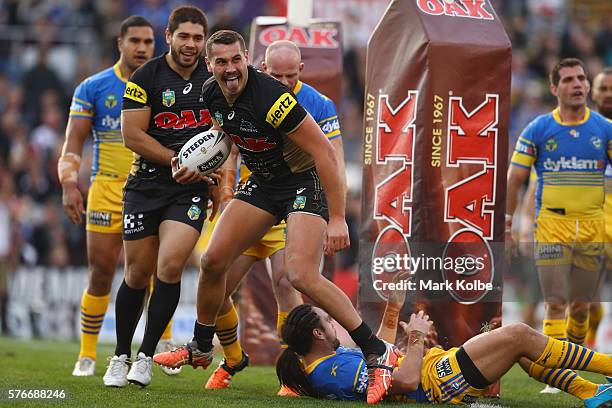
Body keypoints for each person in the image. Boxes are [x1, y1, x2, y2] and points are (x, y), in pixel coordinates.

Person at [154, 30, 396, 404]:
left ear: (248, 58)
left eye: (236, 60)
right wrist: (191, 165)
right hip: (264, 183)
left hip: (301, 183)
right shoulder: (210, 92)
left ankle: (377, 350)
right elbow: (223, 135)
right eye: (221, 62)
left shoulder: (274, 99)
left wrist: (336, 217)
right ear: (209, 65)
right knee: (212, 260)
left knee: (299, 276)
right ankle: (203, 346)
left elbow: (325, 155)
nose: (231, 68)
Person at [201, 39, 348, 393]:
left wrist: (334, 215)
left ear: (301, 71)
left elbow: (333, 158)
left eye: (289, 75)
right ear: (262, 67)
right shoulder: (241, 91)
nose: (282, 82)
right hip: (254, 202)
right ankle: (233, 358)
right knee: (216, 276)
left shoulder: (318, 104)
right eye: (275, 74)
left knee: (287, 282)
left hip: (293, 202)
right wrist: (224, 190)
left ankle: (291, 374)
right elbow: (229, 144)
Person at [275, 273, 612, 406]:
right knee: (518, 334)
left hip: (437, 373)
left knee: (514, 345)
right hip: (438, 382)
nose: (335, 323)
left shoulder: (324, 364)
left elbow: (380, 358)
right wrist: (419, 341)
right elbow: (404, 382)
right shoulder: (334, 371)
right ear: (318, 334)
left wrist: (393, 309)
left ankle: (590, 392)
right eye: (328, 321)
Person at [102, 6, 214, 388]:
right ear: (169, 36)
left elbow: (227, 132)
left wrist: (218, 179)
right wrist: (179, 160)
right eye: (184, 36)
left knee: (169, 266)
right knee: (136, 274)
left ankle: (147, 356)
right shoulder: (145, 75)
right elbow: (132, 134)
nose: (191, 44)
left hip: (191, 189)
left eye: (198, 37)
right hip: (145, 185)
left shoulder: (213, 78)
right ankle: (120, 355)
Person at [57, 16, 156, 377]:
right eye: (135, 41)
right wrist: (69, 184)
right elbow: (73, 143)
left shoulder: (162, 85)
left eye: (148, 41)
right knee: (100, 271)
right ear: (120, 43)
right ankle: (87, 354)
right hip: (107, 188)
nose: (142, 48)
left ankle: (147, 352)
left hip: (149, 188)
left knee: (148, 274)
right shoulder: (93, 87)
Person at [506, 58, 612, 394]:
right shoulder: (538, 129)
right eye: (568, 80)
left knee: (581, 305)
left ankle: (571, 360)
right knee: (554, 300)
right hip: (552, 225)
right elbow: (515, 179)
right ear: (555, 88)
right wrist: (510, 223)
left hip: (593, 227)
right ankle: (556, 374)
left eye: (581, 78)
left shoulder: (604, 129)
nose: (578, 84)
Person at [587, 67, 612, 349]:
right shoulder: (577, 130)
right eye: (602, 88)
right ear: (593, 92)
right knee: (586, 301)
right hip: (589, 224)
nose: (607, 94)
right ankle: (585, 352)